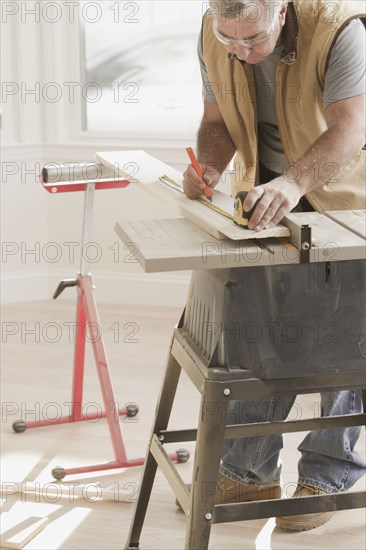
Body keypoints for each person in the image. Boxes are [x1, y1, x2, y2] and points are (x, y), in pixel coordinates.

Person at [182, 0, 366, 531]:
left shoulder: (340, 29)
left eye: (252, 41)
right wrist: (211, 163)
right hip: (266, 196)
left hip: (348, 201)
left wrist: (293, 183)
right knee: (258, 335)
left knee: (348, 343)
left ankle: (325, 477)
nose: (239, 53)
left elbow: (352, 129)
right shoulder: (215, 31)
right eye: (228, 39)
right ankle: (246, 471)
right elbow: (215, 121)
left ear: (282, 13)